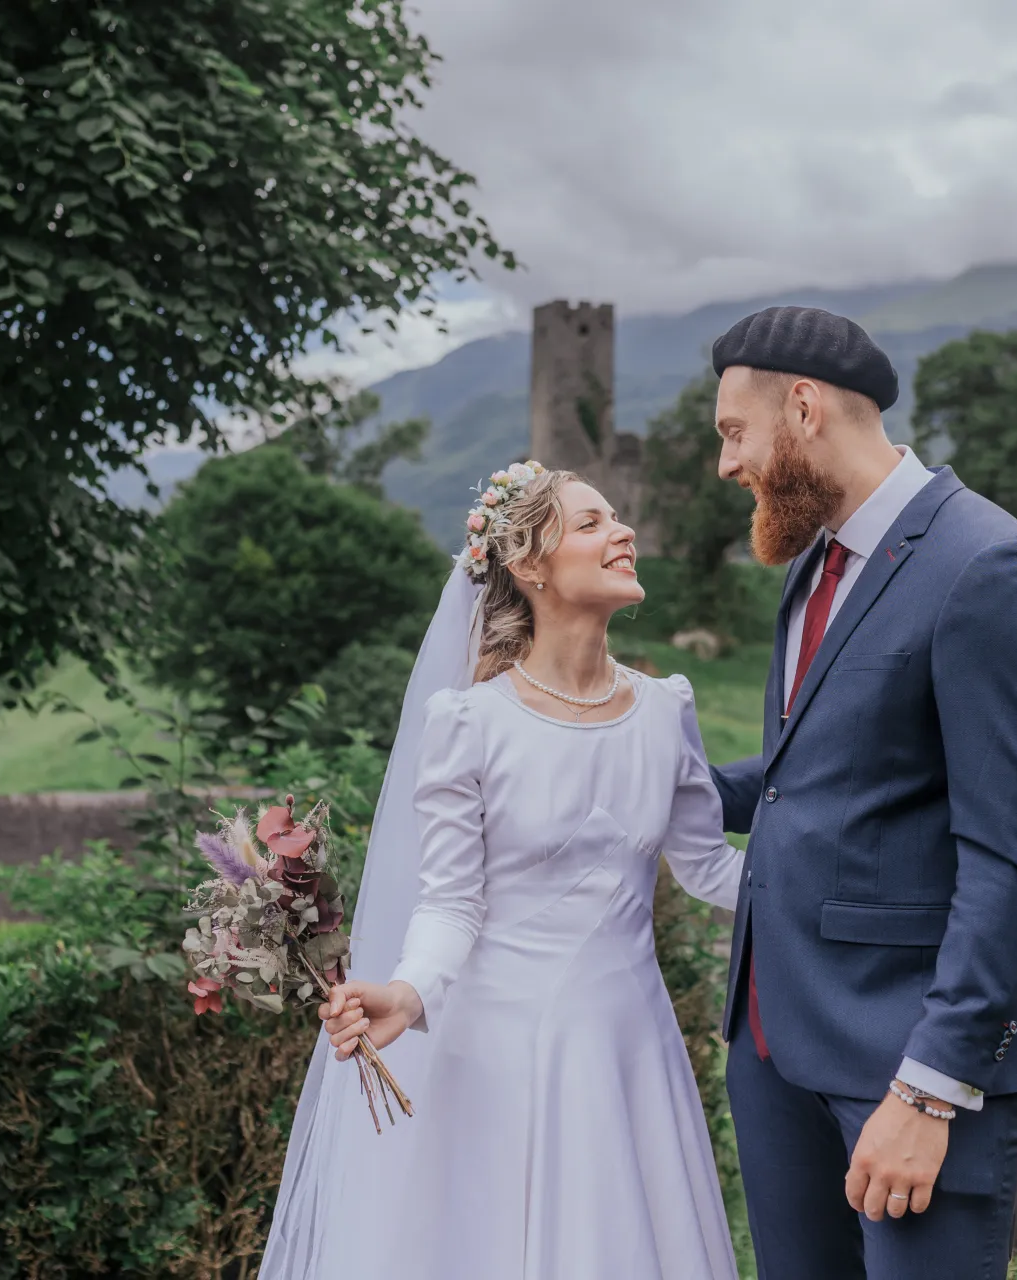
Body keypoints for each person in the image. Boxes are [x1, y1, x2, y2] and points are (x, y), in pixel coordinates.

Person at [258, 462, 743, 1279]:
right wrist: (406, 993)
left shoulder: (668, 711)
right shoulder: (470, 724)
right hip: (498, 1058)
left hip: (630, 1050)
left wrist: (853, 887)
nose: (623, 532)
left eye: (617, 516)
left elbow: (711, 870)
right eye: (593, 523)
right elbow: (450, 903)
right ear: (530, 566)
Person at [707, 306, 1017, 1279]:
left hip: (908, 1059)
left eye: (731, 431)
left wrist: (928, 1089)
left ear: (802, 407)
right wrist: (626, 783)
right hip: (774, 1041)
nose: (725, 463)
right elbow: (807, 779)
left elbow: (1014, 864)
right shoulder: (817, 560)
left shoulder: (989, 568)